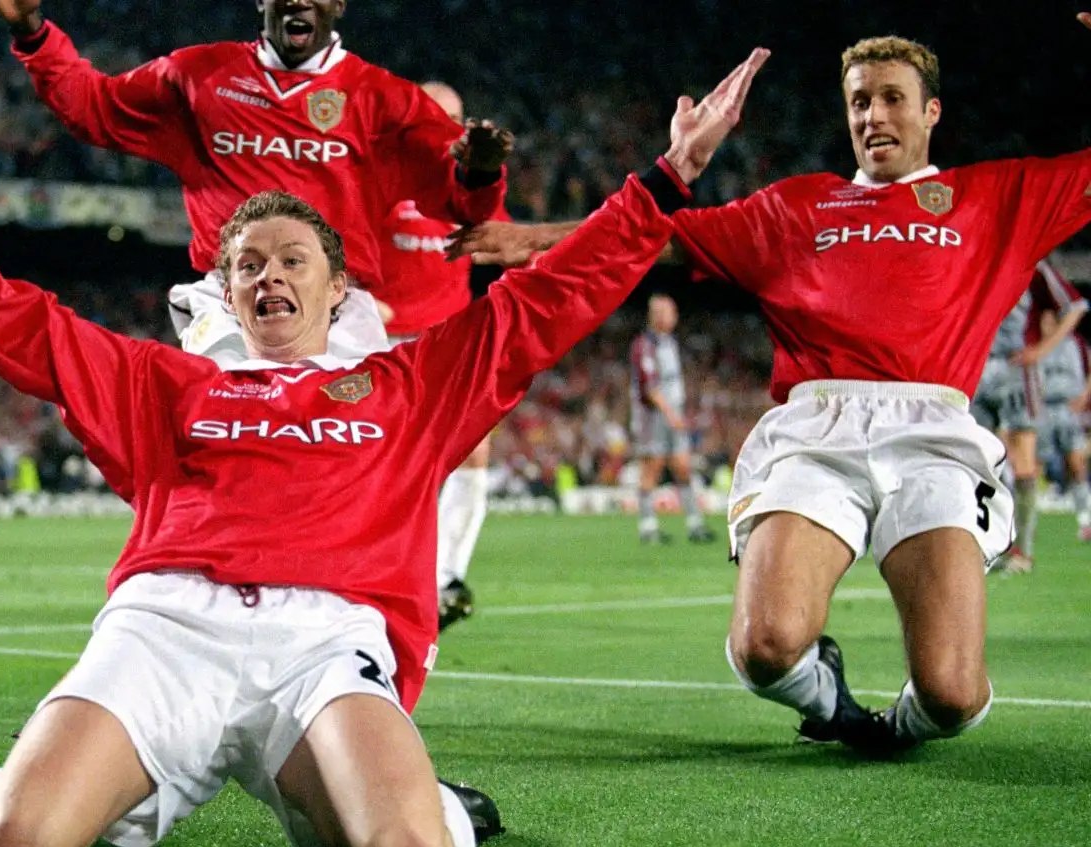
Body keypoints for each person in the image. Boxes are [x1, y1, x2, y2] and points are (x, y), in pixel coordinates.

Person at [0, 42, 764, 847]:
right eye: (248, 264)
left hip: (324, 645)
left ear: (340, 292)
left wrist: (667, 178)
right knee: (12, 843)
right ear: (226, 291)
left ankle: (428, 798)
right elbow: (14, 319)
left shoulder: (408, 385)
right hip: (169, 626)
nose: (269, 275)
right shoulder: (169, 384)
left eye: (294, 259)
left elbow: (552, 298)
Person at [450, 23, 1091, 755]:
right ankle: (840, 712)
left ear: (931, 112)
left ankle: (901, 729)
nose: (873, 117)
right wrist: (526, 238)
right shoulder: (797, 208)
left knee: (950, 694)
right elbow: (655, 240)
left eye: (891, 99)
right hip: (817, 430)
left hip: (934, 435)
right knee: (765, 646)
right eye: (859, 102)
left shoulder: (995, 197)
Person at [0, 0, 512, 366]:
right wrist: (32, 32)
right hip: (231, 301)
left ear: (340, 5)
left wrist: (482, 172)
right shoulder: (199, 76)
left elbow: (461, 203)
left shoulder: (385, 100)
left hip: (337, 303)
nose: (298, 3)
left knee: (346, 469)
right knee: (238, 439)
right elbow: (95, 109)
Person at [374, 81, 499, 629]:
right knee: (385, 465)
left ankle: (445, 577)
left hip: (447, 346)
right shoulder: (379, 179)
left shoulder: (469, 196)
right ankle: (371, 570)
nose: (446, 126)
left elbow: (510, 241)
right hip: (384, 347)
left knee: (475, 452)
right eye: (435, 114)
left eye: (456, 117)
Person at [972, 260, 1087, 573]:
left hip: (1017, 372)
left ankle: (1022, 552)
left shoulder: (1032, 263)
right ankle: (988, 547)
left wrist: (1043, 349)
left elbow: (1075, 306)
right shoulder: (969, 251)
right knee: (975, 462)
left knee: (1024, 462)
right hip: (974, 370)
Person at [628, 293, 714, 545]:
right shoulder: (645, 345)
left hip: (673, 414)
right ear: (657, 316)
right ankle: (647, 527)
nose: (675, 317)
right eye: (670, 312)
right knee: (651, 469)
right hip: (652, 417)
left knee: (683, 467)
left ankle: (695, 524)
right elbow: (650, 388)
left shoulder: (670, 342)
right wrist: (672, 414)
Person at [1032, 305, 1091, 541]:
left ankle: (1086, 520)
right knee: (1032, 466)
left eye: (1049, 321)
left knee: (1076, 464)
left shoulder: (1071, 345)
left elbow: (1086, 372)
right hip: (1042, 411)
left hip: (1067, 410)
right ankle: (1027, 526)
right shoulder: (1034, 346)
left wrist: (1084, 397)